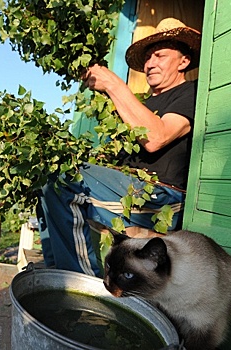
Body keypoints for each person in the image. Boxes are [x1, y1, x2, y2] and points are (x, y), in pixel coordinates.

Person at [37, 18, 201, 277]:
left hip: (161, 198)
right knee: (48, 180)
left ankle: (79, 287)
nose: (150, 63)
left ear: (183, 61)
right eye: (147, 58)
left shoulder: (191, 93)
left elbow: (157, 137)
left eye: (160, 55)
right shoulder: (143, 103)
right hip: (130, 188)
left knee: (64, 183)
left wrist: (114, 85)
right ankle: (54, 274)